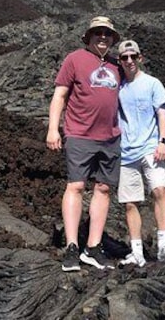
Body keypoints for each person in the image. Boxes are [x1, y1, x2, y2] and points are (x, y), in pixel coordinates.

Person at [47, 15, 122, 271]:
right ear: (88, 37)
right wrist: (53, 129)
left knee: (103, 189)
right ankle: (71, 247)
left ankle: (93, 247)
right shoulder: (74, 59)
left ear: (112, 39)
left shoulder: (116, 65)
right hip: (79, 134)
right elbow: (60, 95)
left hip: (111, 137)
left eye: (107, 34)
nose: (103, 37)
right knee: (76, 186)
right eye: (97, 33)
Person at [115, 39, 165, 267]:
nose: (129, 61)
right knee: (130, 202)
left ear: (140, 58)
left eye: (133, 56)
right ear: (120, 61)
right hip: (126, 151)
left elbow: (162, 113)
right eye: (124, 57)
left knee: (160, 191)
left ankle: (163, 245)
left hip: (151, 147)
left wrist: (162, 142)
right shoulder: (118, 87)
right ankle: (137, 251)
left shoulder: (152, 83)